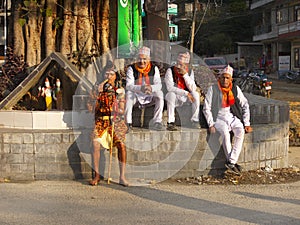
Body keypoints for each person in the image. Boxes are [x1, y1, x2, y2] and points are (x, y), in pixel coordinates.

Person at [203, 65, 253, 175]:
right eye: (223, 77)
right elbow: (206, 108)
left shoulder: (235, 89)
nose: (225, 80)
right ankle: (232, 162)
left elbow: (245, 104)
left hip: (231, 116)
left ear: (231, 79)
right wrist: (211, 124)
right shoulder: (213, 89)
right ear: (219, 78)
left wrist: (247, 123)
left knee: (240, 130)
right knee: (225, 133)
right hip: (218, 118)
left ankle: (231, 161)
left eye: (227, 78)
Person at [88, 65, 129, 187]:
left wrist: (114, 110)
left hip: (115, 121)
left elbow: (122, 110)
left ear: (115, 76)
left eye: (111, 74)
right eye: (107, 74)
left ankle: (122, 176)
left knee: (121, 145)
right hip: (100, 121)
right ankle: (96, 175)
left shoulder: (119, 91)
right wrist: (98, 96)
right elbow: (90, 107)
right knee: (95, 143)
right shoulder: (97, 89)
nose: (109, 77)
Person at [125, 46, 164, 131]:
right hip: (136, 95)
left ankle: (157, 122)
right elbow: (129, 85)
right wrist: (141, 88)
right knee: (129, 94)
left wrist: (151, 88)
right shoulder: (131, 69)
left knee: (160, 94)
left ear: (149, 59)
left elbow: (159, 85)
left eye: (144, 59)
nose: (142, 61)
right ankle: (128, 123)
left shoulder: (154, 69)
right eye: (140, 59)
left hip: (149, 94)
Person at [164, 52, 200, 131]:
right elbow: (170, 88)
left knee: (196, 94)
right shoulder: (170, 71)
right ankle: (171, 122)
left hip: (186, 98)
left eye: (182, 65)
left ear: (186, 65)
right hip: (175, 97)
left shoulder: (189, 72)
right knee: (171, 95)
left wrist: (185, 75)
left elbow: (193, 88)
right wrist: (186, 93)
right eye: (178, 64)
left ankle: (195, 121)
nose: (179, 67)